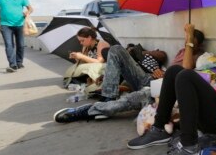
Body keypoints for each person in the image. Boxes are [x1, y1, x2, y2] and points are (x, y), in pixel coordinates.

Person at [53, 24, 205, 122]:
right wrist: (161, 71)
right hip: (149, 79)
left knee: (132, 99)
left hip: (161, 91)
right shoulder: (181, 51)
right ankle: (108, 97)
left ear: (194, 43)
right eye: (185, 40)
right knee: (116, 49)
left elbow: (186, 68)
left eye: (188, 41)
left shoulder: (200, 56)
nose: (185, 43)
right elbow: (165, 59)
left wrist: (190, 37)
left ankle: (90, 111)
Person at [0, 0, 33, 72]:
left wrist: (27, 13)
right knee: (9, 45)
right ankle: (12, 64)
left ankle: (19, 62)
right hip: (5, 24)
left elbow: (30, 8)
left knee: (21, 45)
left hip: (19, 24)